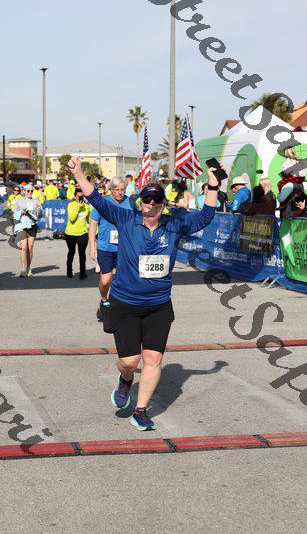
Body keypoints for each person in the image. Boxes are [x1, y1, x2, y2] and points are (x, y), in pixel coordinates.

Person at [67, 156, 221, 431]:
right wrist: (78, 173)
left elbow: (206, 216)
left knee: (153, 359)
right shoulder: (125, 218)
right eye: (147, 199)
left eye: (156, 200)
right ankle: (125, 380)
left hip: (158, 306)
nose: (151, 204)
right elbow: (96, 199)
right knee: (129, 362)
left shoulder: (174, 224)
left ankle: (140, 411)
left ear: (163, 203)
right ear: (140, 202)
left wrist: (213, 185)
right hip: (125, 303)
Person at [89, 176, 132, 321]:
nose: (120, 192)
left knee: (124, 279)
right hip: (105, 247)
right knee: (106, 281)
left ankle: (120, 305)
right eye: (117, 190)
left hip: (124, 248)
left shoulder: (130, 203)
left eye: (122, 190)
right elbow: (93, 225)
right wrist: (92, 246)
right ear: (111, 189)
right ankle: (104, 299)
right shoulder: (102, 202)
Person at [14, 184, 43, 277]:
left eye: (31, 191)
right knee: (24, 247)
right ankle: (23, 268)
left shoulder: (36, 201)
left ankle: (28, 268)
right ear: (24, 191)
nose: (30, 193)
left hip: (32, 226)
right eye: (28, 191)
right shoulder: (19, 201)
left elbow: (40, 215)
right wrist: (21, 212)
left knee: (30, 248)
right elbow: (14, 214)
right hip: (22, 226)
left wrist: (39, 208)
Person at [64, 188, 91, 279]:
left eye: (82, 196)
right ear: (75, 197)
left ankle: (82, 273)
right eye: (79, 196)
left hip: (82, 233)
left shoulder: (87, 207)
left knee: (82, 253)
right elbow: (72, 218)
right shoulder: (71, 205)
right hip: (70, 233)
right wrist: (79, 206)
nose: (80, 198)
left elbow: (89, 220)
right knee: (71, 252)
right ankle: (69, 270)